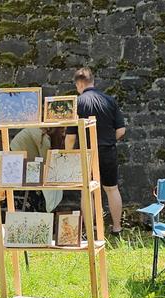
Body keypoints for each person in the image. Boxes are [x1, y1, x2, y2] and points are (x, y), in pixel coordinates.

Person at [66, 67, 126, 235]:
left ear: (78, 84)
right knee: (112, 189)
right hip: (107, 150)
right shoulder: (109, 100)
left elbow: (70, 137)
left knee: (87, 190)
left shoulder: (77, 104)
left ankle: (91, 229)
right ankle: (117, 227)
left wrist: (67, 155)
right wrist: (108, 141)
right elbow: (121, 131)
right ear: (93, 81)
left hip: (86, 153)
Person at [10, 127, 65, 212]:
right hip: (19, 162)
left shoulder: (39, 131)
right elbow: (46, 161)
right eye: (63, 131)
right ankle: (47, 207)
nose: (64, 134)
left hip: (15, 159)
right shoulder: (44, 139)